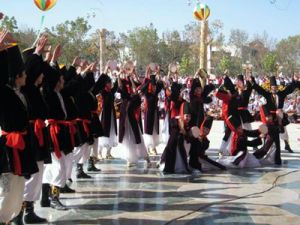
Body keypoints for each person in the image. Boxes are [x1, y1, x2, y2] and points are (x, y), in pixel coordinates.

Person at [0, 37, 38, 224]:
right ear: (16, 76)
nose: (26, 76)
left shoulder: (20, 93)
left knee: (17, 188)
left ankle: (9, 219)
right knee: (5, 189)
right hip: (7, 149)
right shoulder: (5, 92)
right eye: (23, 74)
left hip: (21, 147)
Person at [20, 37, 51, 224]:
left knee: (38, 172)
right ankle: (20, 212)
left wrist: (45, 58)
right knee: (30, 174)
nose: (42, 76)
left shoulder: (34, 89)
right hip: (30, 135)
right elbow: (30, 72)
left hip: (37, 133)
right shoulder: (26, 89)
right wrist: (36, 54)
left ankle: (28, 209)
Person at [160, 102, 192, 174]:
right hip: (172, 146)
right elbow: (172, 123)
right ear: (182, 115)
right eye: (186, 116)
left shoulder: (187, 126)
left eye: (189, 116)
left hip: (180, 146)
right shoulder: (176, 120)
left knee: (181, 160)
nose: (188, 118)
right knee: (171, 160)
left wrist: (185, 133)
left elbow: (187, 139)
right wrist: (179, 125)